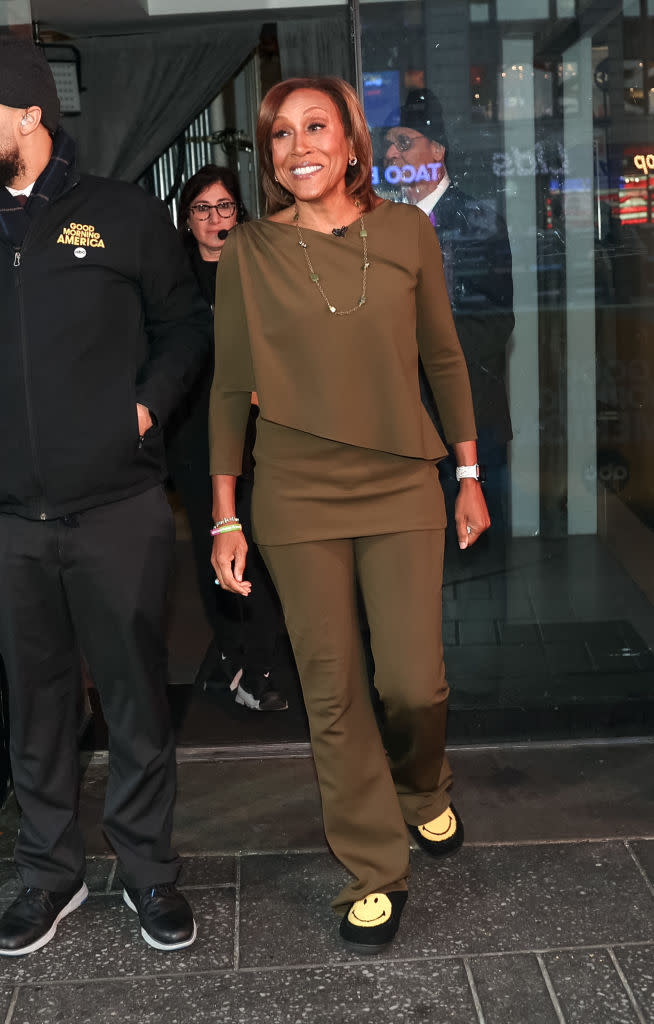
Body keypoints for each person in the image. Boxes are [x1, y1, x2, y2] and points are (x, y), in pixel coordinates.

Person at [208, 76, 489, 953]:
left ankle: (424, 785)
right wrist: (226, 515)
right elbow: (225, 389)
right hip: (294, 493)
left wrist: (469, 472)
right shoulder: (249, 252)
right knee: (332, 692)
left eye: (316, 126)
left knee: (412, 684)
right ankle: (373, 866)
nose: (299, 148)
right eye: (281, 136)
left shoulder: (407, 233)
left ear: (352, 141)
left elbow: (444, 357)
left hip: (403, 479)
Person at [0, 39, 208, 955]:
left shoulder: (120, 215)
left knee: (131, 699)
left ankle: (148, 871)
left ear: (28, 116)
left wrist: (143, 410)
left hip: (117, 509)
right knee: (34, 703)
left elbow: (185, 326)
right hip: (8, 520)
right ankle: (48, 874)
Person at [167, 164, 288, 712]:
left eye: (225, 207)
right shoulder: (170, 276)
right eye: (202, 209)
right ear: (186, 218)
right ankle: (237, 653)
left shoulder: (260, 266)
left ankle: (254, 656)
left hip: (259, 424)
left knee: (260, 539)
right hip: (195, 429)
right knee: (215, 540)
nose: (215, 219)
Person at [385, 89, 514, 547]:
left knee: (478, 569)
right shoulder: (381, 225)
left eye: (403, 142)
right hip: (400, 429)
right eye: (389, 143)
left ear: (436, 151)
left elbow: (497, 322)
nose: (390, 152)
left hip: (471, 420)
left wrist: (423, 344)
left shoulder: (478, 219)